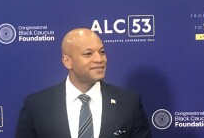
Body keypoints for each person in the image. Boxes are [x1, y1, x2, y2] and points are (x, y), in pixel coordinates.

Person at [15, 28, 151, 138]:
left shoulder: (129, 104)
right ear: (67, 61)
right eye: (88, 54)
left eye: (102, 52)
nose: (99, 59)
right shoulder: (36, 106)